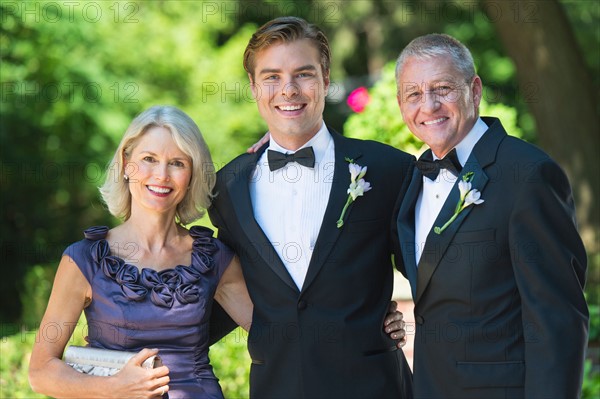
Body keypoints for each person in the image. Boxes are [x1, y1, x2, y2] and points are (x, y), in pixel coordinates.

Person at [208, 17, 414, 399]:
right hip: (277, 387)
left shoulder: (389, 170)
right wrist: (133, 331)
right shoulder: (227, 186)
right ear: (254, 88)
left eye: (303, 74)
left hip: (375, 386)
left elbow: (433, 276)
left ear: (325, 79)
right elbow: (223, 288)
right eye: (271, 77)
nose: (288, 90)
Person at [392, 33, 589, 398]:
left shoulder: (528, 175)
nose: (429, 105)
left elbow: (557, 321)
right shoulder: (409, 180)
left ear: (475, 90)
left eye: (442, 88)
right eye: (414, 94)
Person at [28, 105, 253, 399]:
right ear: (125, 163)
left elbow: (278, 336)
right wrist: (114, 388)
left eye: (177, 163)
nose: (161, 175)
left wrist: (265, 159)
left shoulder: (215, 258)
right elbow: (40, 371)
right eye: (149, 159)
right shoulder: (83, 260)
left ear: (193, 173)